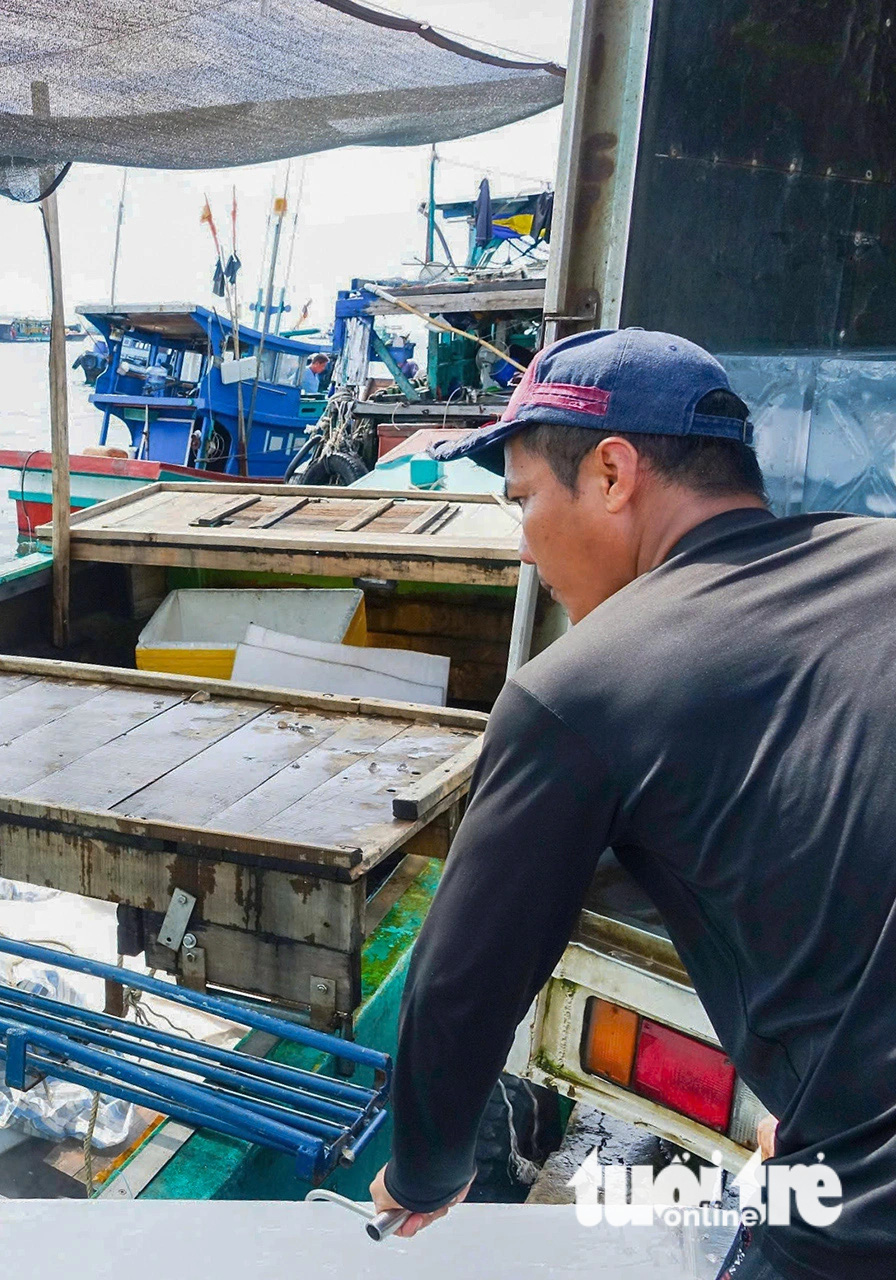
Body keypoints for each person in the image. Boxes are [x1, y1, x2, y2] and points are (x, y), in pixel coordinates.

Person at [370, 329, 896, 1279]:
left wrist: (424, 1168)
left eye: (524, 501)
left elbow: (458, 992)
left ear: (613, 473)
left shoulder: (578, 687)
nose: (526, 549)